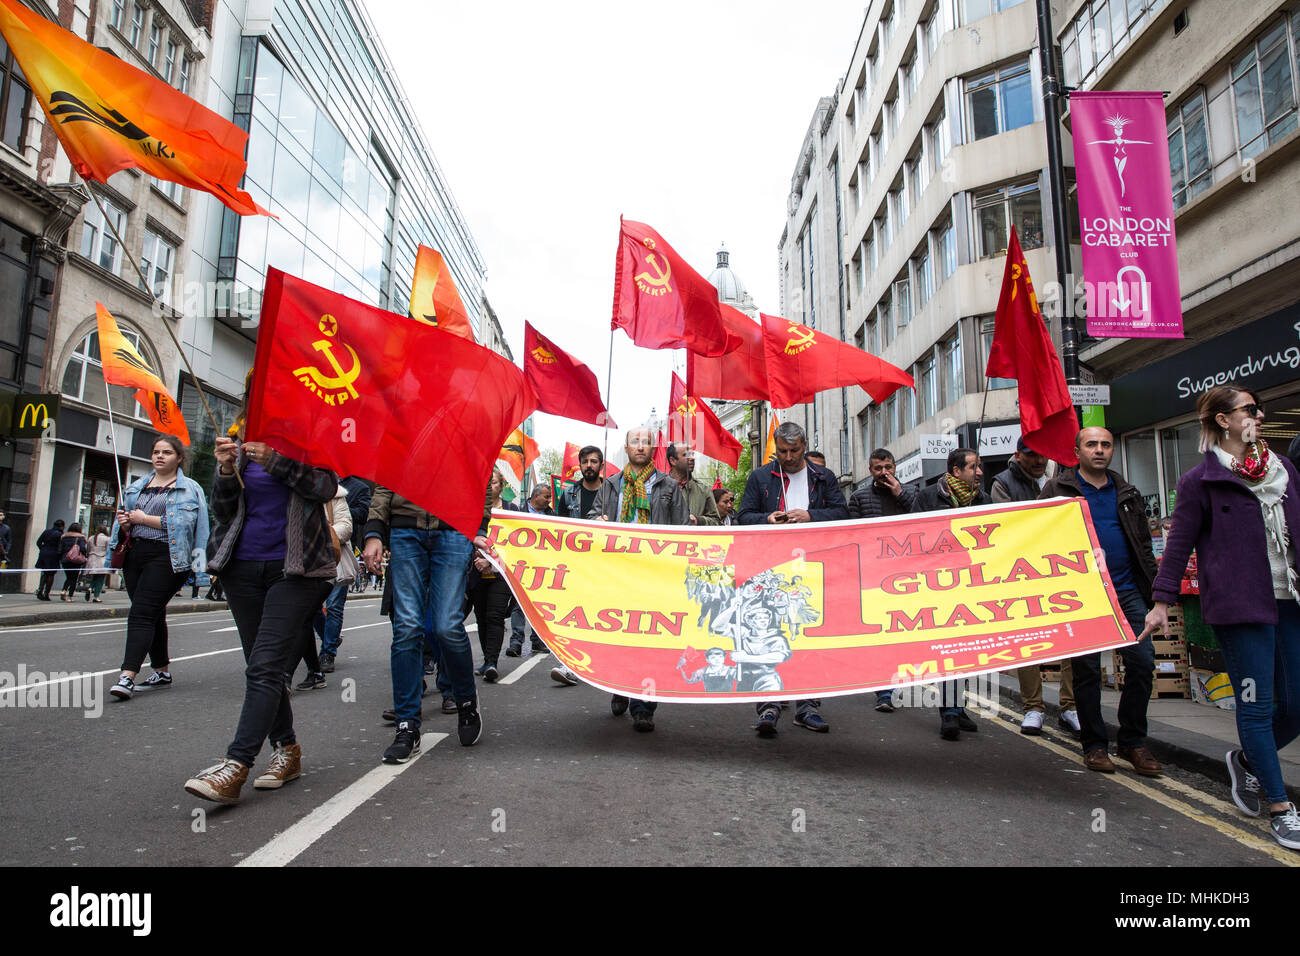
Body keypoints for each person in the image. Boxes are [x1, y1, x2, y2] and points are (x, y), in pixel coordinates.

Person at [1141, 385, 1300, 848]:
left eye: (1259, 408)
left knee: (1296, 705)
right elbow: (1178, 547)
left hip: (1289, 600)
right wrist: (1162, 601)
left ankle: (1248, 763)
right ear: (1223, 420)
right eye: (1250, 409)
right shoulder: (1199, 481)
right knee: (1255, 706)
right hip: (1240, 607)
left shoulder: (1283, 468)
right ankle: (1280, 806)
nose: (1260, 414)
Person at [183, 405, 338, 804]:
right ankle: (287, 750)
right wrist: (223, 470)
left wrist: (277, 462)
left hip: (297, 570)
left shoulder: (308, 441)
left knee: (267, 665)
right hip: (242, 569)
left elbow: (324, 488)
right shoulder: (239, 443)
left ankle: (236, 765)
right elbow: (222, 511)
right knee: (260, 667)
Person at [1039, 427, 1161, 775]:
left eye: (1106, 444)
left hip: (1126, 591)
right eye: (1091, 444)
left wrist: (1155, 593)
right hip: (1080, 594)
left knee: (1141, 663)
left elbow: (1143, 545)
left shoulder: (1127, 491)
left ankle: (1133, 741)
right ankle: (1094, 745)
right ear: (1077, 451)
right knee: (1087, 671)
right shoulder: (1056, 490)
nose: (1100, 450)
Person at [363, 475, 494, 763]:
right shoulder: (403, 430)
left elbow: (481, 474)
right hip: (405, 529)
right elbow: (386, 477)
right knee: (407, 627)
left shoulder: (466, 432)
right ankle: (407, 726)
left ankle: (466, 700)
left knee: (447, 626)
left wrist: (479, 526)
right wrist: (374, 531)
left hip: (454, 529)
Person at [737, 421, 848, 736]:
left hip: (812, 570)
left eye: (794, 450)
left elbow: (842, 514)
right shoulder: (760, 478)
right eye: (782, 451)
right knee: (769, 638)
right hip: (771, 570)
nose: (788, 457)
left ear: (804, 445)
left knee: (809, 639)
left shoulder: (823, 477)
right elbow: (744, 517)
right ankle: (769, 706)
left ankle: (808, 706)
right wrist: (766, 519)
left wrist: (811, 516)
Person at [583, 427, 689, 730]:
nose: (640, 447)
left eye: (645, 442)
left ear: (653, 448)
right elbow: (592, 519)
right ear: (627, 448)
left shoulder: (669, 486)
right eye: (634, 442)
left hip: (655, 576)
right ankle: (620, 686)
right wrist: (598, 521)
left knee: (649, 641)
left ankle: (644, 705)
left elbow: (683, 529)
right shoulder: (611, 486)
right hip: (618, 573)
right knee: (621, 637)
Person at [108, 436, 210, 700]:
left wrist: (144, 519)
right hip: (135, 554)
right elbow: (123, 525)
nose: (160, 456)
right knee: (152, 614)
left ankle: (127, 676)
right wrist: (125, 524)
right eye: (155, 452)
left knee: (141, 613)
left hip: (168, 557)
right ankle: (162, 671)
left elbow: (190, 527)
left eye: (167, 452)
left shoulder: (190, 489)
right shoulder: (136, 488)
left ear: (179, 457)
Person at [990, 438, 1080, 737]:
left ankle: (1070, 706)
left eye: (1042, 454)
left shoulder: (1065, 476)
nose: (1038, 460)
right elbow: (1008, 525)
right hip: (1023, 570)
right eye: (1031, 455)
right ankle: (1033, 707)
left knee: (1071, 636)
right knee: (1028, 638)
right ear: (1018, 456)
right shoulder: (1002, 483)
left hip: (1062, 565)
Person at [917, 447, 986, 740]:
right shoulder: (928, 497)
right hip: (938, 583)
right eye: (974, 467)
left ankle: (958, 706)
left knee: (965, 651)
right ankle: (949, 713)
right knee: (948, 650)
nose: (979, 472)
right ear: (956, 471)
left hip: (971, 583)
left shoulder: (982, 499)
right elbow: (913, 536)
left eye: (980, 466)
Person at [847, 447, 916, 712]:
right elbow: (852, 536)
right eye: (878, 468)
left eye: (888, 467)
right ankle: (884, 691)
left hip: (906, 575)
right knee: (881, 636)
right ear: (870, 470)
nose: (884, 473)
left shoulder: (910, 493)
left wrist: (900, 493)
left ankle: (895, 680)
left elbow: (921, 519)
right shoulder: (859, 497)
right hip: (875, 576)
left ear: (895, 466)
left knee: (901, 635)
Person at [291, 481, 353, 691]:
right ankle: (315, 672)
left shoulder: (334, 494)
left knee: (327, 608)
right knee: (308, 615)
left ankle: (325, 653)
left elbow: (346, 525)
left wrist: (320, 535)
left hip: (328, 561)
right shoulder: (291, 487)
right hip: (297, 563)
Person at [318, 475, 371, 673]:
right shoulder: (313, 478)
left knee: (334, 605)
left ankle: (328, 652)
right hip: (311, 552)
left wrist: (341, 508)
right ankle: (329, 636)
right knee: (311, 606)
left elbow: (362, 514)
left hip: (337, 550)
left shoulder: (358, 488)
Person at [470, 467, 512, 683]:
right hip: (477, 570)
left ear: (501, 486)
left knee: (495, 616)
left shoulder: (512, 510)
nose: (489, 487)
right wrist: (478, 560)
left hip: (501, 573)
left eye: (493, 483)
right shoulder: (473, 509)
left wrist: (492, 561)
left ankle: (492, 662)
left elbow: (516, 544)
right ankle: (486, 659)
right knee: (481, 616)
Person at [668, 442, 721, 526]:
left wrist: (698, 521)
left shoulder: (704, 490)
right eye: (686, 455)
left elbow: (717, 522)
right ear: (673, 460)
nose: (692, 458)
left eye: (692, 454)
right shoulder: (658, 487)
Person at [556, 446, 606, 520]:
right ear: (580, 466)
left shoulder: (611, 492)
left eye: (593, 461)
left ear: (601, 466)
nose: (589, 465)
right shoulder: (568, 494)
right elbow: (560, 525)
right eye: (585, 462)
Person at [57, 522, 89, 601]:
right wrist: (85, 555)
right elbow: (82, 548)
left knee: (68, 577)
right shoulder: (80, 538)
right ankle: (70, 597)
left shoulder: (64, 537)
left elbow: (59, 550)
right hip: (76, 560)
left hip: (65, 560)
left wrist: (61, 558)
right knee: (74, 578)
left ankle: (64, 590)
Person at [35, 519, 64, 600]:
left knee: (45, 573)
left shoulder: (46, 531)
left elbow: (38, 542)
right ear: (61, 526)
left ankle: (40, 590)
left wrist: (43, 549)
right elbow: (61, 546)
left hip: (44, 553)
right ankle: (46, 593)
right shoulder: (60, 534)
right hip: (54, 555)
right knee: (51, 574)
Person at [84, 524, 111, 602]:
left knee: (95, 577)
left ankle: (90, 587)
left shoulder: (91, 538)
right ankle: (96, 596)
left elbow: (88, 549)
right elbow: (108, 550)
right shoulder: (107, 539)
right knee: (101, 579)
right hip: (102, 560)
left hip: (92, 559)